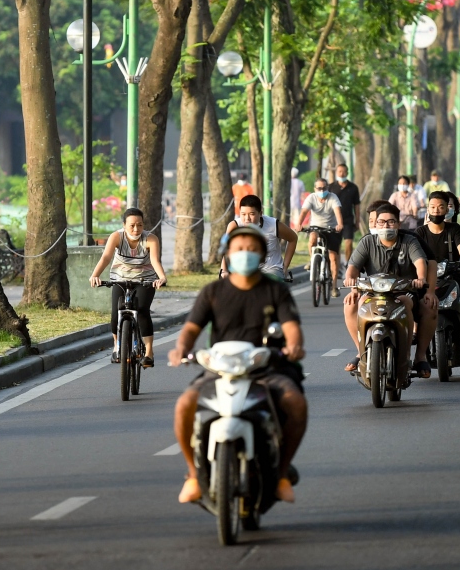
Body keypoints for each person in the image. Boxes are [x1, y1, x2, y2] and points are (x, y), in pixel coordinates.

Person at [168, 225, 307, 504]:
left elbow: (292, 327)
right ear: (227, 254)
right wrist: (181, 349)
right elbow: (192, 329)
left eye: (252, 249)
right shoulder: (212, 291)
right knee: (185, 405)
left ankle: (280, 475)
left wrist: (293, 347)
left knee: (295, 402)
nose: (245, 254)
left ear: (263, 253)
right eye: (239, 249)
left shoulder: (275, 291)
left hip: (268, 368)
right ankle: (194, 474)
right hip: (220, 369)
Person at [342, 204, 437, 377]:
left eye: (391, 222)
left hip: (404, 291)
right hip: (374, 293)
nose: (386, 226)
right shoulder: (367, 242)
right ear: (375, 224)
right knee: (353, 304)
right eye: (382, 222)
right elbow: (353, 268)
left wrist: (421, 280)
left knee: (412, 304)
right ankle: (361, 352)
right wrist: (353, 287)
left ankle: (415, 356)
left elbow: (420, 263)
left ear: (398, 224)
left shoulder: (410, 241)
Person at [89, 208, 168, 367]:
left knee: (142, 310)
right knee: (115, 314)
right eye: (131, 225)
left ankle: (148, 352)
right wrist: (95, 275)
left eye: (139, 225)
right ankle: (118, 346)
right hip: (120, 278)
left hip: (145, 279)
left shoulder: (150, 239)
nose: (136, 229)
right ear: (124, 225)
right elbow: (106, 257)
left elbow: (154, 261)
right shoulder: (116, 237)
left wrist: (162, 277)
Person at [415, 192, 460, 341]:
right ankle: (415, 328)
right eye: (433, 207)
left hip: (451, 275)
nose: (436, 210)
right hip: (426, 278)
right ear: (428, 209)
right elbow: (414, 254)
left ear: (447, 210)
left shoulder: (454, 229)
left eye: (440, 207)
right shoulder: (420, 232)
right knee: (412, 294)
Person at [222, 195, 298, 280]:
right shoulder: (234, 226)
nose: (247, 218)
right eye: (243, 214)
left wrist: (285, 267)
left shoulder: (273, 224)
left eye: (252, 214)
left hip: (271, 269)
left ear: (260, 213)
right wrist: (224, 270)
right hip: (244, 269)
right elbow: (226, 248)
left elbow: (293, 239)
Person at [298, 178, 344, 297]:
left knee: (333, 257)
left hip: (332, 228)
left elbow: (337, 211)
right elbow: (304, 212)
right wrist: (299, 224)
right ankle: (312, 260)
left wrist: (340, 224)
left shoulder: (333, 197)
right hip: (316, 227)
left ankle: (334, 287)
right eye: (319, 188)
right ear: (315, 189)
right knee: (312, 238)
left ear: (328, 188)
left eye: (324, 188)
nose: (322, 190)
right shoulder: (311, 198)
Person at [328, 163, 362, 263]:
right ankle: (337, 266)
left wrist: (357, 221)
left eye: (344, 172)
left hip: (347, 220)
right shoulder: (331, 187)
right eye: (339, 171)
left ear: (347, 172)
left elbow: (356, 205)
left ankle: (348, 264)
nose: (342, 174)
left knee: (349, 243)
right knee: (336, 245)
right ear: (336, 172)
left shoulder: (353, 188)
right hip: (334, 221)